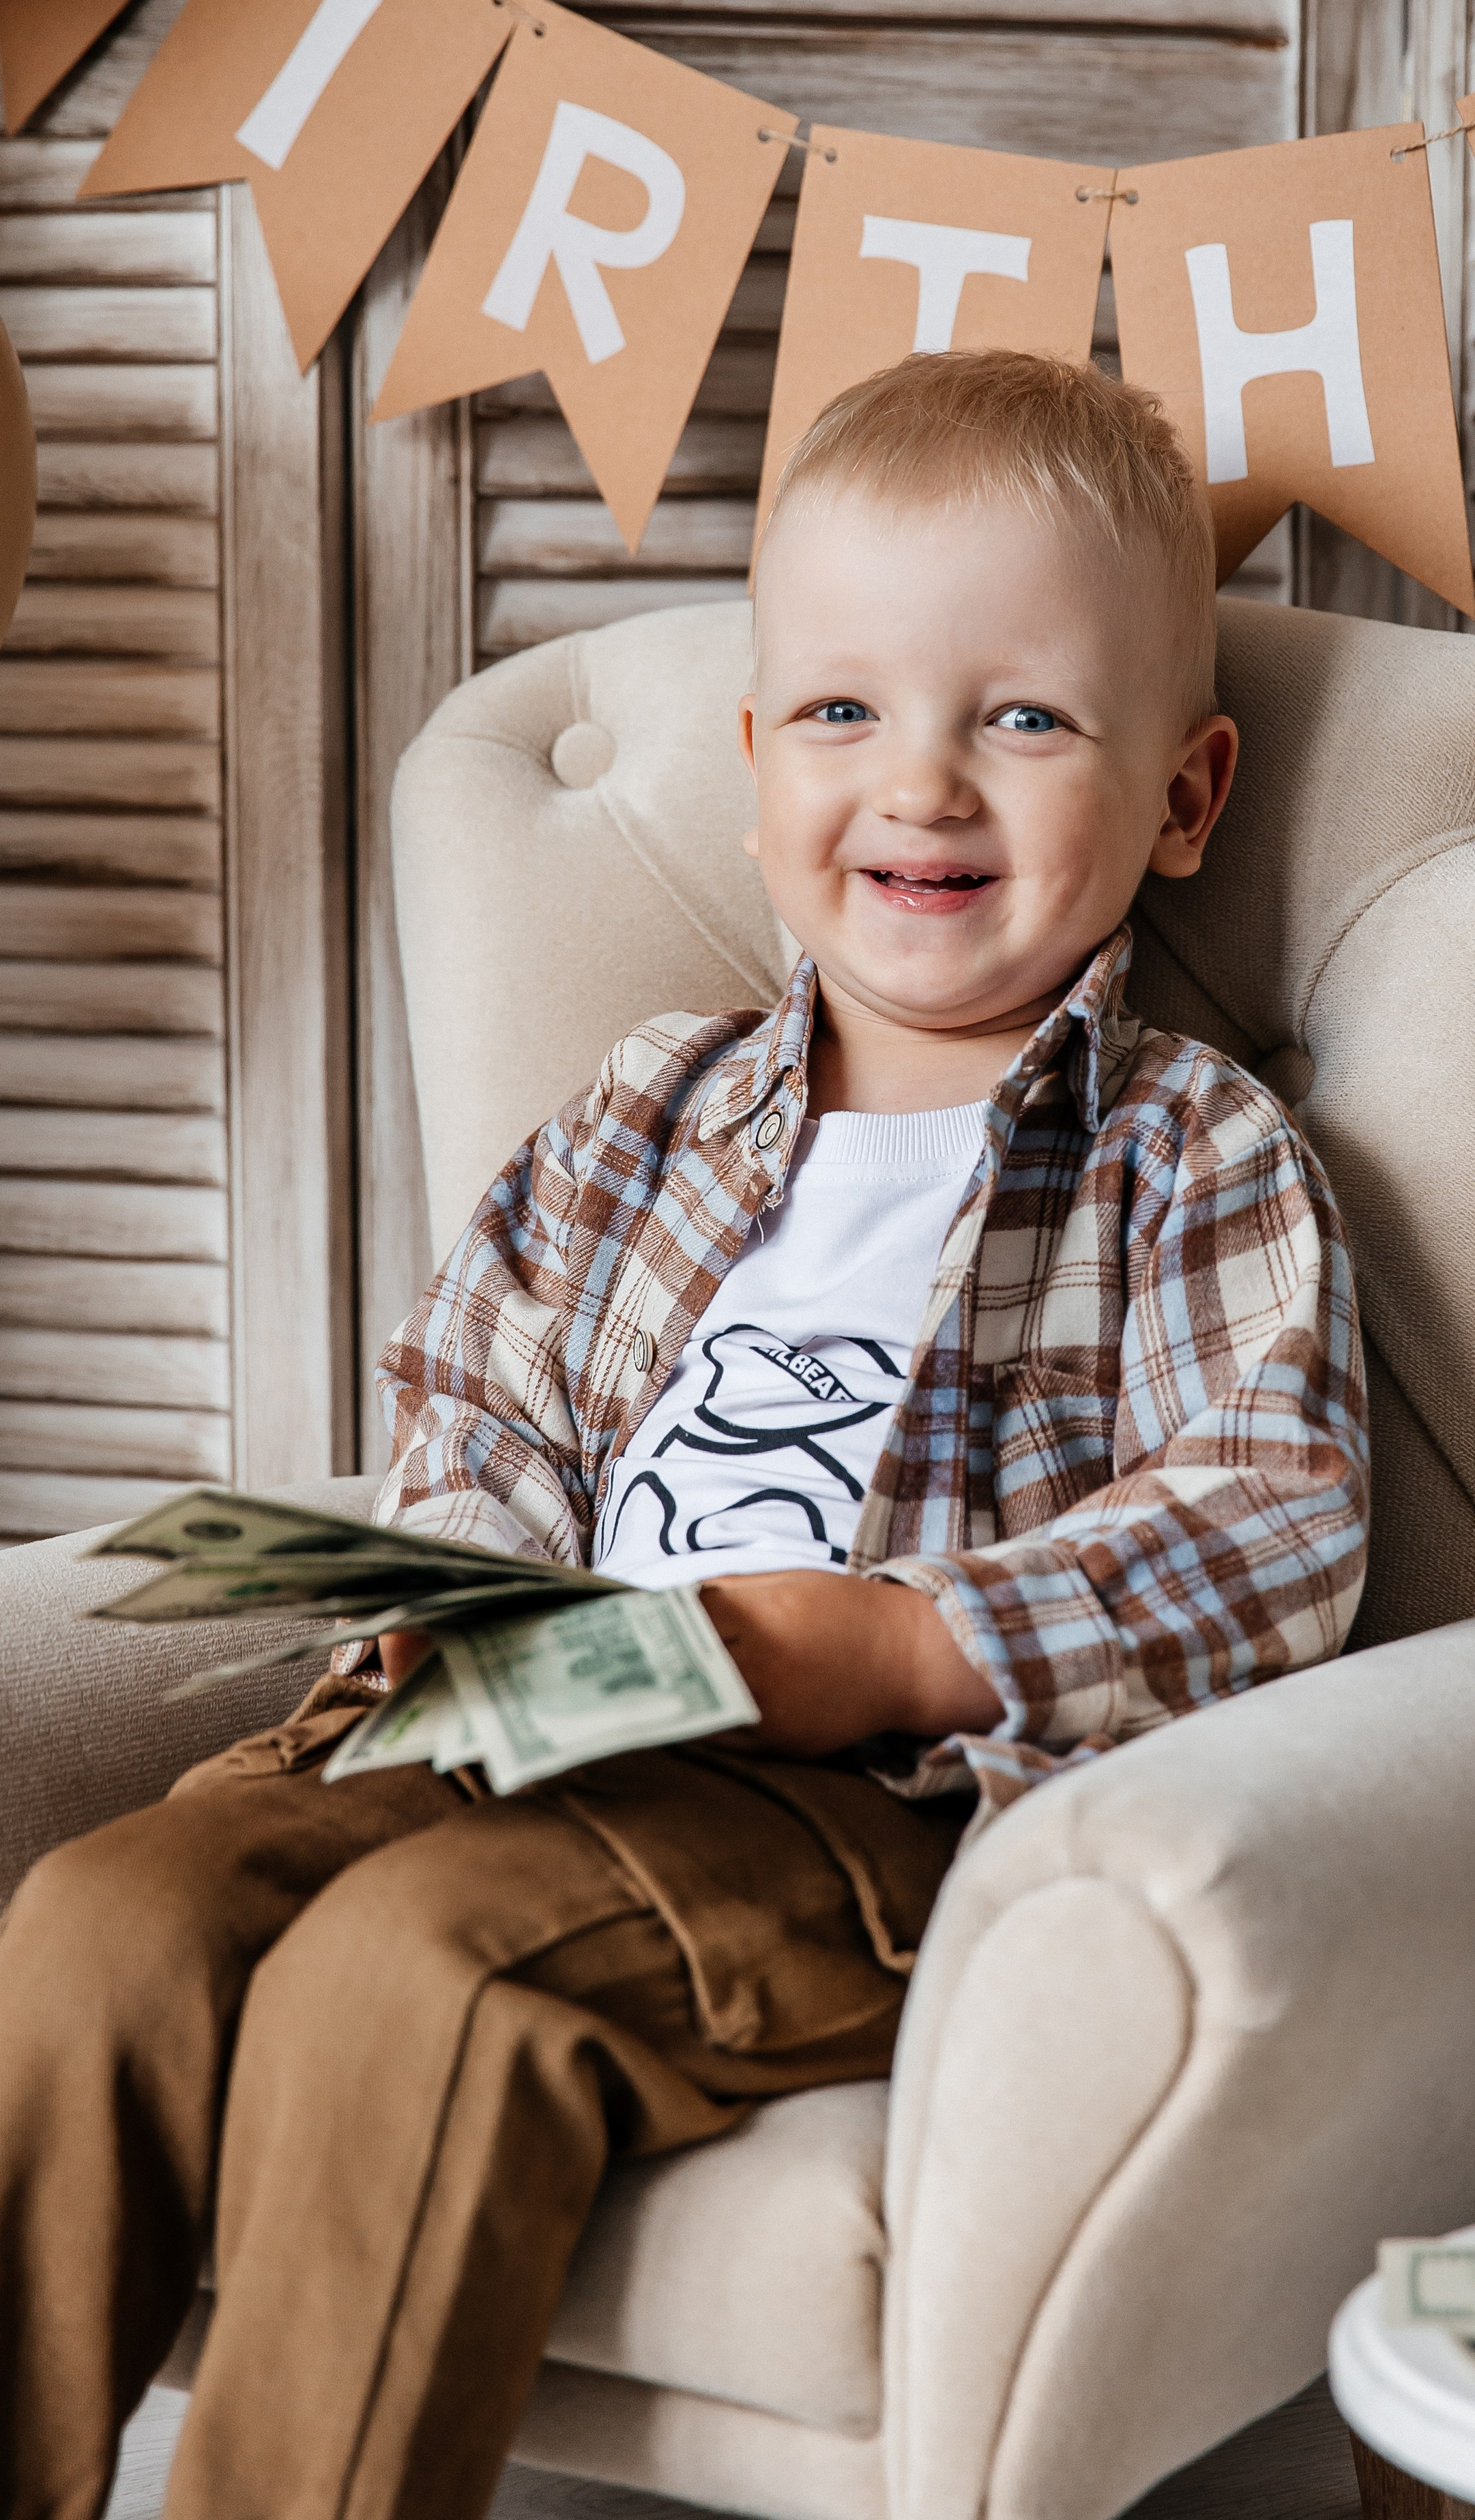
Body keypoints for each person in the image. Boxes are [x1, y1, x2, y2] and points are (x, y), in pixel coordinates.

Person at [0, 349, 1369, 2520]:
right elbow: (479, 1398)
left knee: (414, 1977)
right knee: (101, 1917)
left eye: (1021, 716)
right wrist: (458, 1605)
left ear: (1186, 796)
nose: (921, 783)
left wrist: (903, 1644)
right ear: (753, 769)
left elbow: (1274, 1519)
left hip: (841, 1797)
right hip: (500, 1721)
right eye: (843, 711)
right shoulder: (641, 1116)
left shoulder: (1190, 1157)